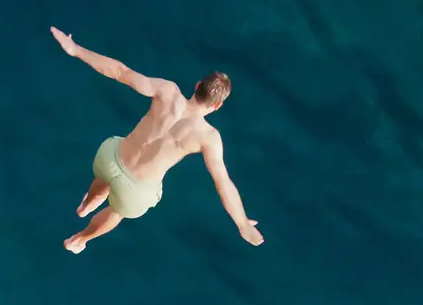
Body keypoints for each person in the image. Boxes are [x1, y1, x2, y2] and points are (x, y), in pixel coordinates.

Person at [50, 27, 264, 254]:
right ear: (217, 105)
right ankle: (79, 239)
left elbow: (120, 72)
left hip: (110, 158)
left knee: (105, 176)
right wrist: (242, 223)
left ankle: (86, 205)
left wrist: (75, 49)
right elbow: (222, 182)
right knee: (117, 212)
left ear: (197, 86)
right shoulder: (208, 137)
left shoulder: (167, 91)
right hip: (135, 190)